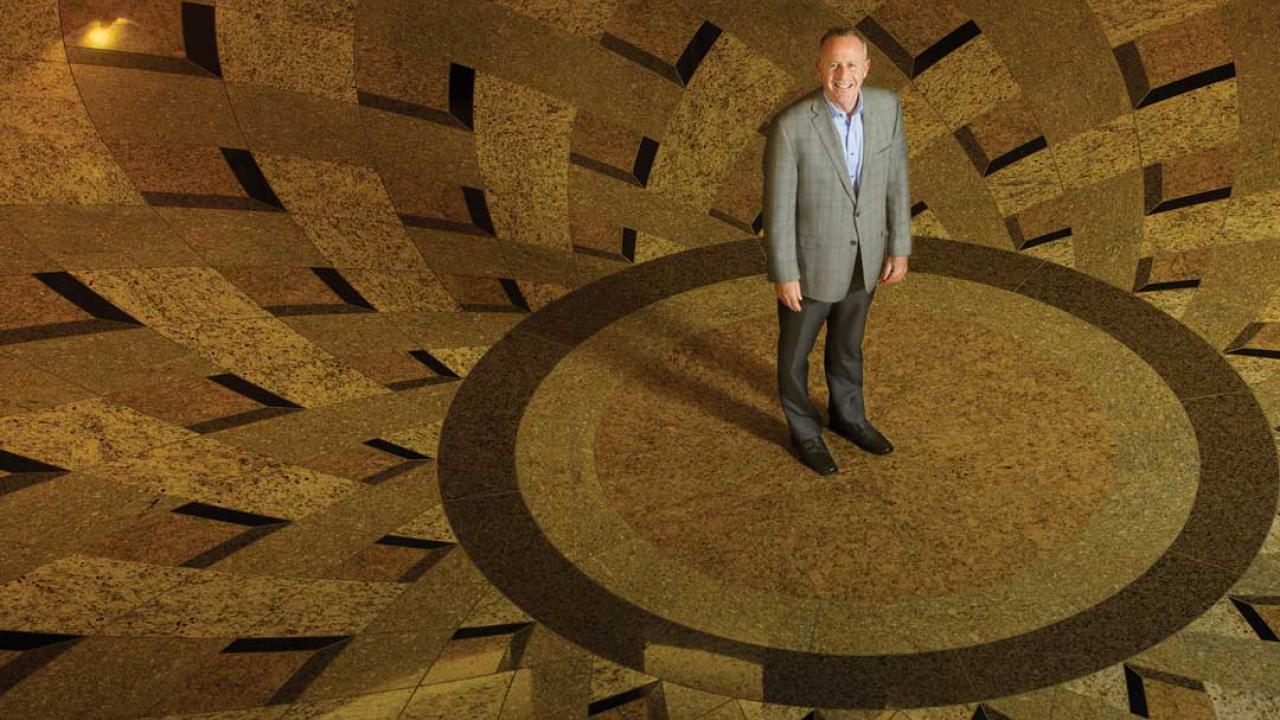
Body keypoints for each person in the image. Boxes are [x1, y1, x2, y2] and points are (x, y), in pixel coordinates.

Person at [763, 26, 911, 476]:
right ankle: (805, 430)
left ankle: (848, 417)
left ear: (866, 68)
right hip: (809, 267)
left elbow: (897, 181)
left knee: (847, 347)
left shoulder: (888, 109)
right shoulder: (791, 126)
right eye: (833, 64)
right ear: (818, 69)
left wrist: (899, 247)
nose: (842, 74)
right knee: (794, 355)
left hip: (866, 257)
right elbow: (778, 208)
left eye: (851, 64)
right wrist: (784, 271)